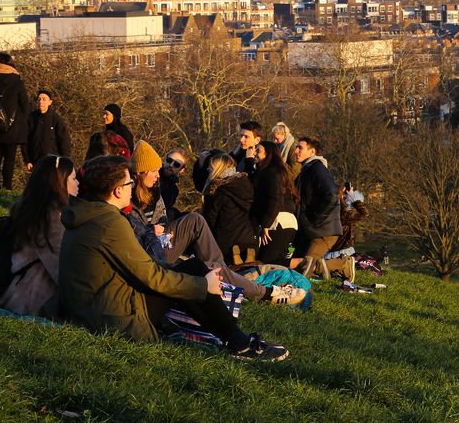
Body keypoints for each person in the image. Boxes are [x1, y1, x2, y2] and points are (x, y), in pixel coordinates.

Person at [50, 154, 288, 359]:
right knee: (193, 271)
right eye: (130, 182)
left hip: (92, 309)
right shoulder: (110, 222)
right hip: (110, 319)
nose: (133, 186)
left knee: (187, 270)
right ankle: (241, 344)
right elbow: (152, 277)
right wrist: (203, 285)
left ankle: (235, 339)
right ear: (117, 190)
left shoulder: (85, 215)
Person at [126, 141, 300, 306]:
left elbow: (170, 217)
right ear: (141, 172)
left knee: (201, 233)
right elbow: (128, 229)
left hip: (219, 244)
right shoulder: (128, 194)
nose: (159, 174)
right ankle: (263, 293)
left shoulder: (158, 191)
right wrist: (152, 230)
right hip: (148, 252)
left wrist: (163, 227)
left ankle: (254, 291)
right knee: (208, 258)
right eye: (154, 170)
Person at [0, 155, 76, 316]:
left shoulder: (34, 209)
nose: (78, 183)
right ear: (60, 183)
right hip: (26, 302)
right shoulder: (50, 218)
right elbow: (62, 270)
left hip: (12, 293)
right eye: (73, 179)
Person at [291, 136, 343, 278]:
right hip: (311, 231)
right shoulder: (306, 171)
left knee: (304, 270)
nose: (296, 151)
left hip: (324, 230)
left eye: (300, 148)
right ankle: (330, 267)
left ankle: (343, 263)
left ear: (312, 151)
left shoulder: (317, 169)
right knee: (293, 266)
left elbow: (332, 195)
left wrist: (316, 217)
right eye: (296, 147)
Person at [201, 152, 258, 266]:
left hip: (225, 239)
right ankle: (246, 254)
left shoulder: (217, 190)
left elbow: (210, 219)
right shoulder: (245, 184)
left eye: (211, 167)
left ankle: (234, 255)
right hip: (247, 237)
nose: (208, 169)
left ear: (219, 169)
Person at [0, 52, 29, 189]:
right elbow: (24, 103)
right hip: (12, 126)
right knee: (9, 158)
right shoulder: (16, 81)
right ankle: (7, 187)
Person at [250, 140, 299, 265]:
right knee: (274, 260)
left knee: (269, 261)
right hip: (282, 221)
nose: (254, 153)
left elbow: (275, 199)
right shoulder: (274, 172)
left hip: (278, 222)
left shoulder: (272, 173)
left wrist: (266, 225)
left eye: (258, 151)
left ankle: (309, 264)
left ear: (269, 154)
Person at [25, 89, 72, 170]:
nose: (41, 102)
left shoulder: (56, 119)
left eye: (44, 99)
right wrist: (27, 160)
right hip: (35, 162)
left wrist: (64, 160)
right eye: (39, 99)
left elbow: (64, 140)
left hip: (53, 162)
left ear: (50, 102)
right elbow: (25, 140)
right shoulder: (31, 118)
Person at [158, 148, 187, 219]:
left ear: (182, 170)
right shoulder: (152, 175)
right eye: (169, 160)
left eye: (176, 164)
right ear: (165, 160)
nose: (171, 165)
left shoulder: (174, 190)